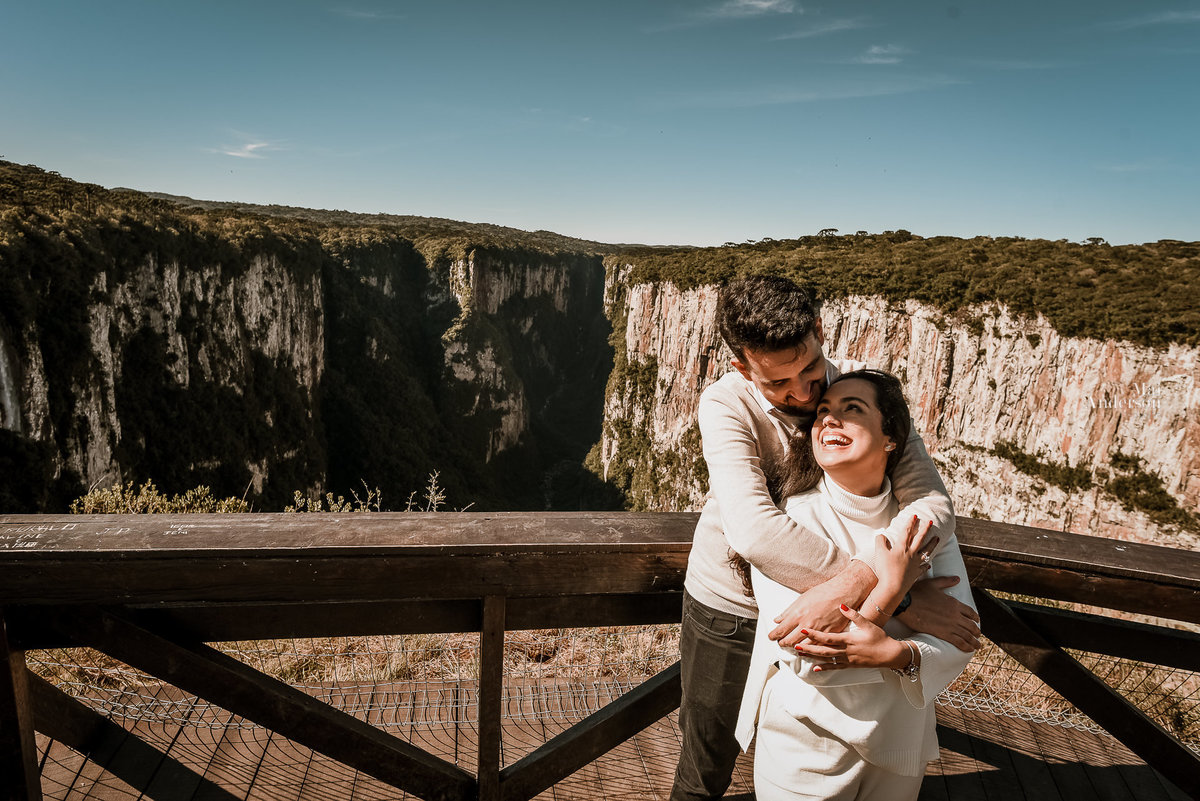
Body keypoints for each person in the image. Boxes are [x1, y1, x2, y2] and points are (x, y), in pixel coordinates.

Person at [670, 275, 980, 801]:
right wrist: (895, 589)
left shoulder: (854, 395)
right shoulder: (724, 405)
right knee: (708, 758)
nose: (803, 393)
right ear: (742, 367)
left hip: (837, 607)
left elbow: (932, 503)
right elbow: (755, 532)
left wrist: (865, 588)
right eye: (777, 383)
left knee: (799, 737)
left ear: (818, 329)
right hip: (730, 606)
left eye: (809, 368)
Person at [734, 369, 975, 800]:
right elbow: (810, 660)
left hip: (900, 743)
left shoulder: (923, 525)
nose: (829, 420)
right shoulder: (789, 523)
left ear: (891, 439)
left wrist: (896, 654)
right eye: (823, 412)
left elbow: (962, 633)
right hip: (805, 747)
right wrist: (891, 591)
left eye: (852, 410)